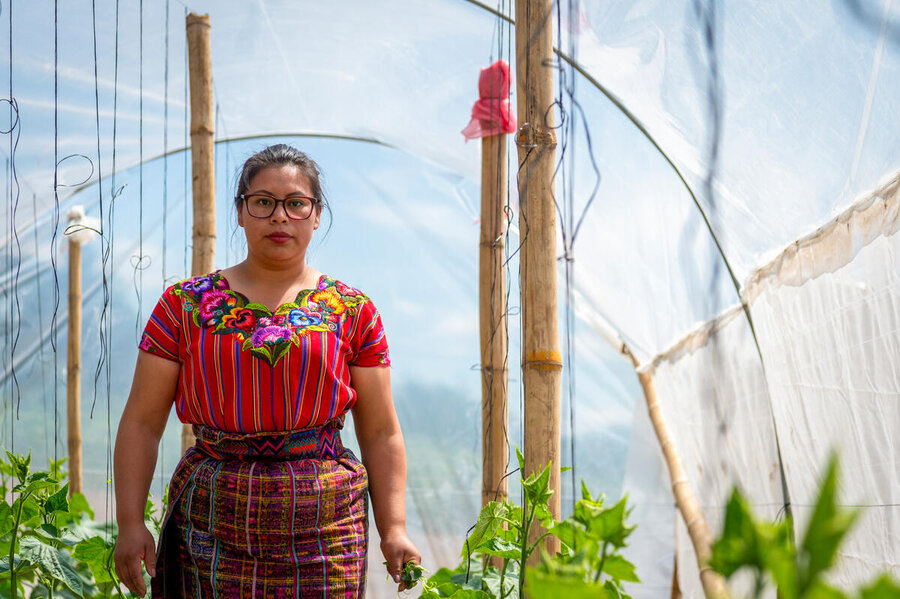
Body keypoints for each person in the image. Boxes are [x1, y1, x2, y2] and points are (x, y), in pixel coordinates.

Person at [113, 144, 420, 597]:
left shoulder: (353, 310)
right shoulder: (184, 304)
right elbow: (141, 421)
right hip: (212, 518)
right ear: (241, 212)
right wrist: (129, 522)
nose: (280, 217)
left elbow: (380, 431)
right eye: (263, 202)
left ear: (316, 216)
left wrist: (393, 528)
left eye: (297, 203)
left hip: (326, 524)